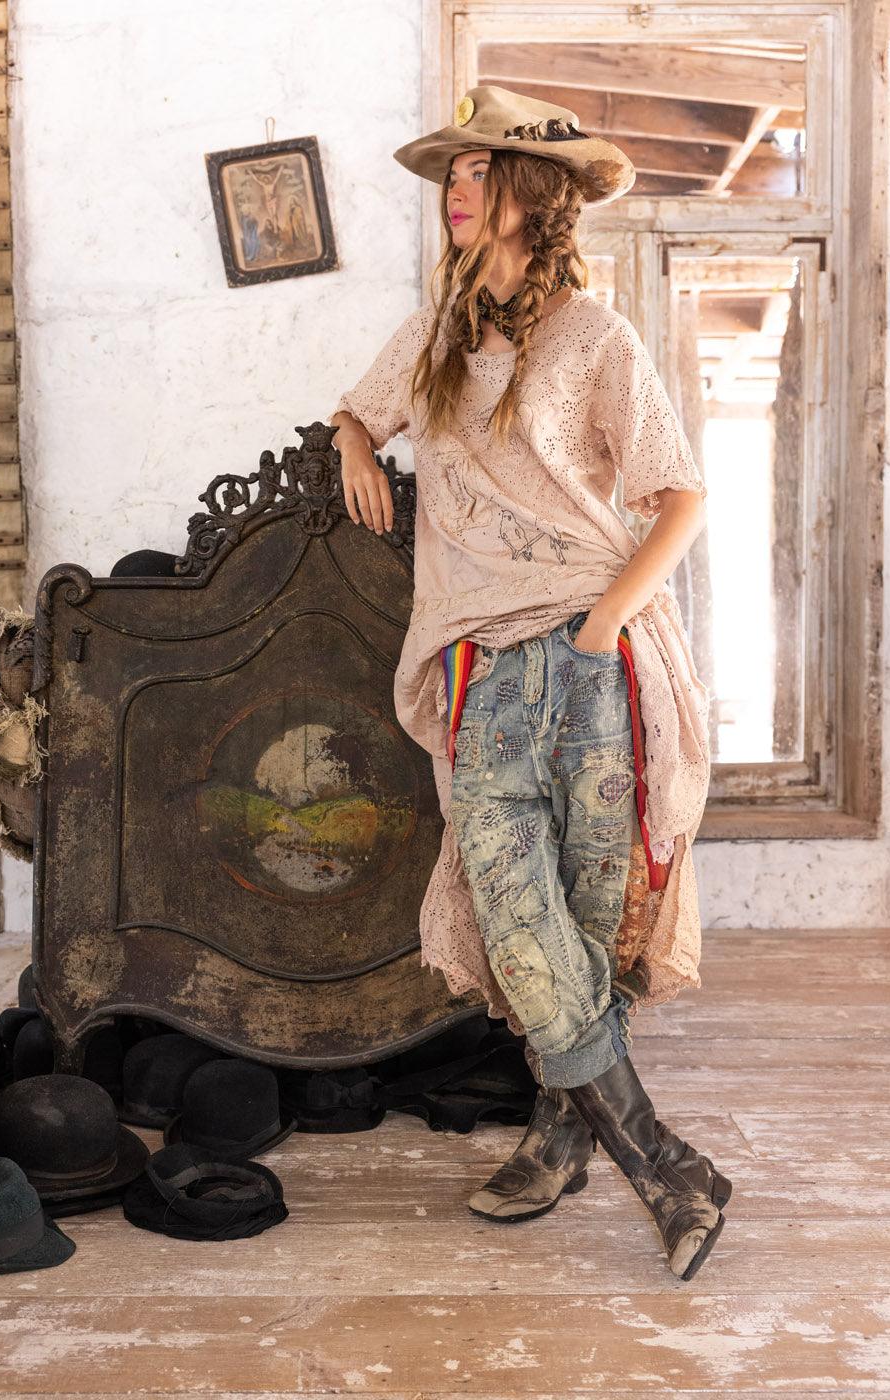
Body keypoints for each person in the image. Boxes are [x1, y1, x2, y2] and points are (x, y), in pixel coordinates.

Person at [330, 84, 729, 1282]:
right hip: (482, 667)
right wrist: (354, 443)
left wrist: (602, 626)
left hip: (591, 660)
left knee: (586, 922)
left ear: (531, 192)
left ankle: (560, 1140)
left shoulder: (595, 338)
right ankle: (667, 1166)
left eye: (478, 170)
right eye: (450, 172)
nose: (456, 188)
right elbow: (357, 411)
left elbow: (678, 495)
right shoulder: (434, 337)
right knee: (517, 916)